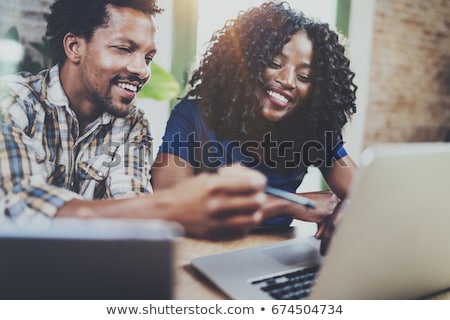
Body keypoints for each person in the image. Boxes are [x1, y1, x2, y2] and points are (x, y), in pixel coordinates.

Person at [0, 0, 268, 240]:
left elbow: (131, 203)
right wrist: (173, 205)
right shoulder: (12, 102)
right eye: (124, 49)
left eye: (148, 57)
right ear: (74, 47)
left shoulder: (132, 123)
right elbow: (21, 206)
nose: (142, 70)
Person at [152, 1, 358, 251]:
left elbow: (366, 195)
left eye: (304, 76)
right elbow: (171, 206)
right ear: (246, 62)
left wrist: (344, 211)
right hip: (202, 253)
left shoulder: (311, 131)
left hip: (272, 254)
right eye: (274, 62)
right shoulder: (193, 117)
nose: (287, 81)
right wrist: (289, 204)